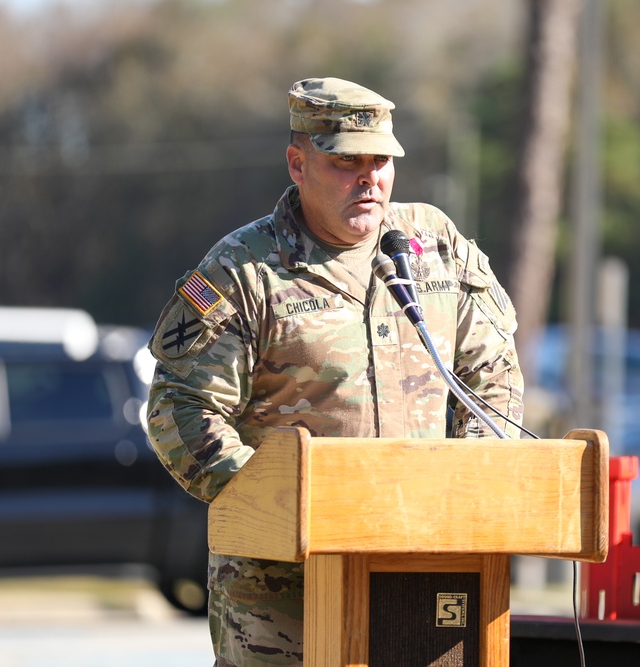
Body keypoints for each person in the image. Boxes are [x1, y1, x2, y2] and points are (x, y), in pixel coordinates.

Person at [146, 76, 524, 666]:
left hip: (423, 569)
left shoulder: (434, 245)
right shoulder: (242, 271)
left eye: (381, 160)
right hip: (282, 599)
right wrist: (280, 507)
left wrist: (466, 490)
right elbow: (181, 408)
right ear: (298, 163)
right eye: (347, 161)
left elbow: (491, 378)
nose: (369, 177)